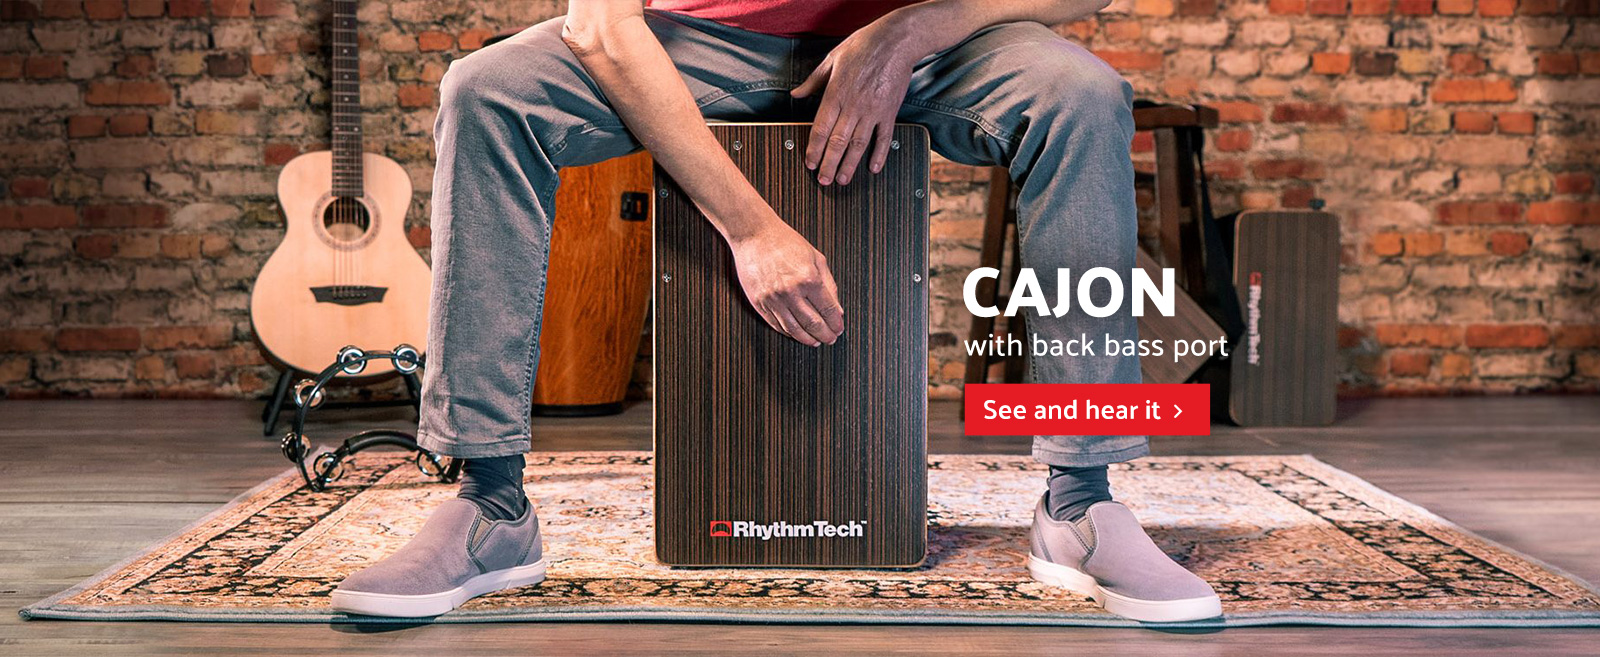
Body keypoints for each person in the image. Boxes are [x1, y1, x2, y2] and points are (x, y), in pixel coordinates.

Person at [331, 0, 1221, 623]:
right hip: (687, 38)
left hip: (916, 42)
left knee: (1081, 96)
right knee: (485, 92)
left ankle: (1080, 500)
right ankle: (488, 501)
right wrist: (753, 229)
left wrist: (915, 26)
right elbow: (600, 24)